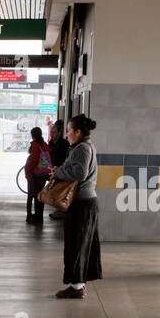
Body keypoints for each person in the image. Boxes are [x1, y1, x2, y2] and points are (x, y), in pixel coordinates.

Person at [51, 115, 101, 299]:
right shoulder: (87, 146)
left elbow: (80, 173)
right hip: (85, 204)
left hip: (82, 204)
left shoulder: (81, 149)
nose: (67, 134)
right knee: (80, 244)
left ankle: (78, 287)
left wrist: (59, 172)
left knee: (76, 245)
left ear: (78, 132)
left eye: (69, 131)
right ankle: (79, 285)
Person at [24, 127, 51, 224]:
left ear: (33, 135)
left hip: (34, 174)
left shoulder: (35, 145)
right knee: (40, 195)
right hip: (43, 174)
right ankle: (39, 216)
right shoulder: (45, 145)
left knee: (32, 195)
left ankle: (32, 216)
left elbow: (34, 160)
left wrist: (28, 172)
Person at [47, 120, 70, 220]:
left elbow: (66, 159)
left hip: (61, 171)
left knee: (60, 191)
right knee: (55, 191)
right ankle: (59, 210)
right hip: (53, 171)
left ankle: (62, 211)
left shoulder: (64, 144)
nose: (52, 134)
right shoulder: (51, 143)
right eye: (51, 132)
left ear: (60, 133)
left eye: (54, 132)